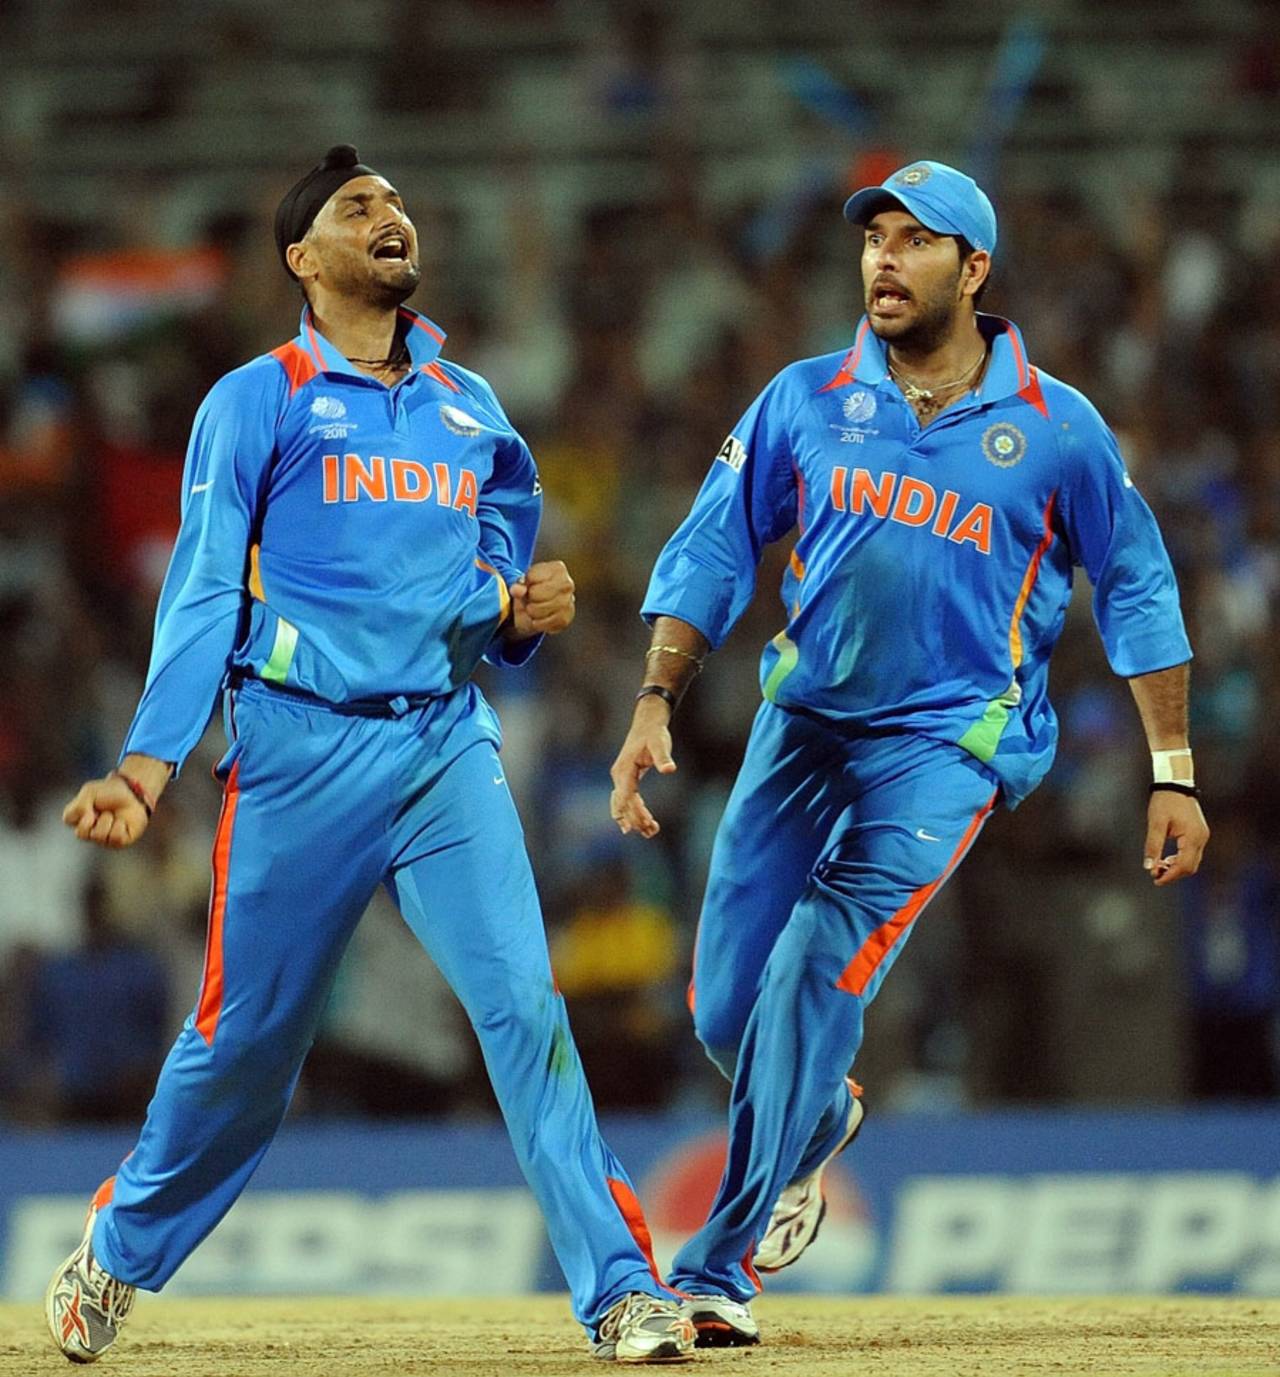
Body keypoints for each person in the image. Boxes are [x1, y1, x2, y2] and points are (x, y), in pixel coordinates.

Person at [46, 145, 693, 1367]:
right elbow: (197, 594)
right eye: (358, 208)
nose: (390, 217)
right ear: (304, 258)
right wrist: (148, 767)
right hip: (299, 752)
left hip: (444, 747)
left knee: (524, 1010)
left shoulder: (469, 404)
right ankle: (118, 1254)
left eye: (396, 202)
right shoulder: (257, 398)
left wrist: (511, 603)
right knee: (246, 1046)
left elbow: (507, 521)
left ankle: (620, 1291)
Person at [608, 160, 1209, 1347]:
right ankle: (814, 1114)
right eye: (872, 237)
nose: (881, 258)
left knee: (811, 966)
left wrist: (1171, 769)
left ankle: (714, 1270)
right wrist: (652, 699)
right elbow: (711, 552)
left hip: (948, 745)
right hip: (803, 727)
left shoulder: (1058, 430)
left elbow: (1135, 586)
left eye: (913, 241)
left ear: (972, 270)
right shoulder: (805, 396)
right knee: (725, 1007)